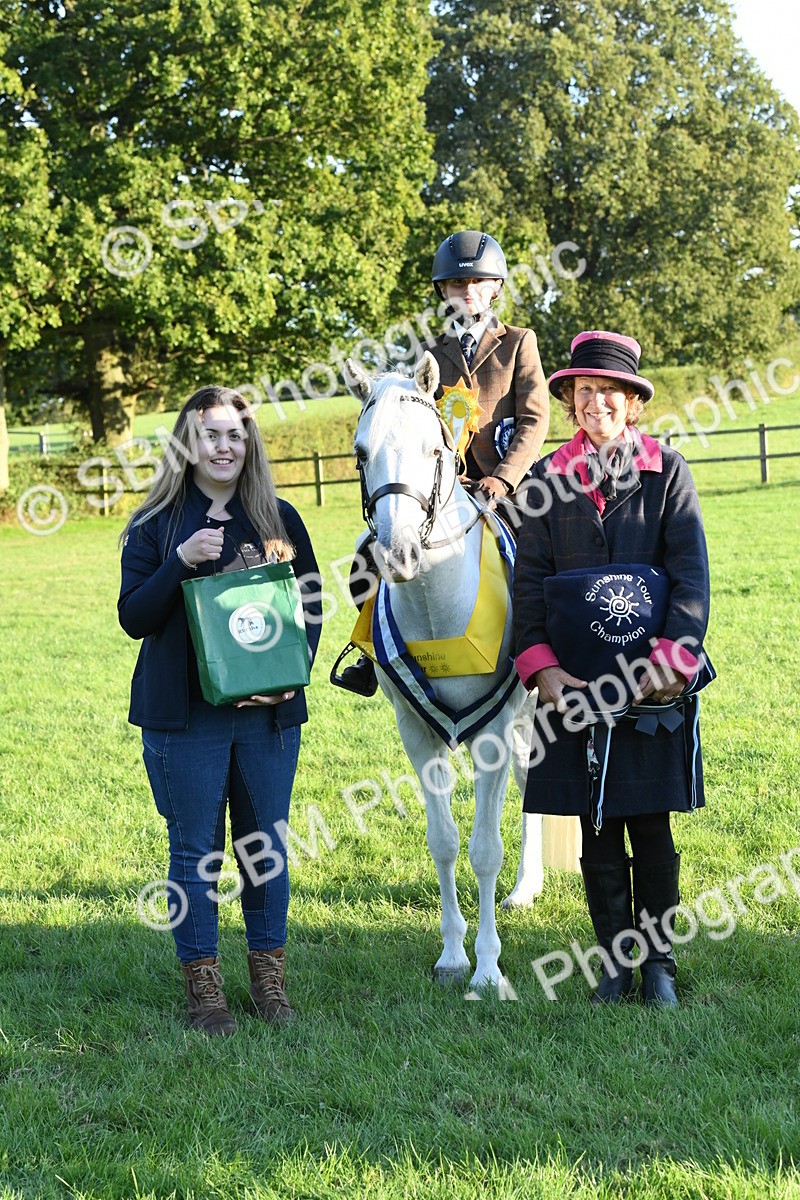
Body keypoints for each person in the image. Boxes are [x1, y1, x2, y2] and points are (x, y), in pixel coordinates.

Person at [513, 331, 712, 1008]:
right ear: (569, 399)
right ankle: (613, 965)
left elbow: (690, 578)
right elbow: (529, 584)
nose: (596, 402)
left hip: (652, 685)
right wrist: (541, 671)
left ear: (633, 404)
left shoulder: (669, 471)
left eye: (611, 392)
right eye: (584, 391)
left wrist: (673, 657)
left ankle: (658, 966)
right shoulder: (543, 481)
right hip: (572, 683)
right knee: (594, 826)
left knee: (650, 821)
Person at [118, 386, 321, 1036]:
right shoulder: (155, 525)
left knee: (265, 851)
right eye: (212, 433)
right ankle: (205, 992)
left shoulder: (279, 518)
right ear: (188, 442)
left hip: (267, 720)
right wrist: (180, 562)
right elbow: (134, 617)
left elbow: (311, 606)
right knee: (195, 855)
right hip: (184, 718)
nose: (225, 445)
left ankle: (269, 984)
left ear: (249, 442)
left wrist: (293, 676)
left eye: (236, 433)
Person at [333, 229, 550, 696]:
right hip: (435, 488)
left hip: (501, 489)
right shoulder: (425, 352)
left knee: (541, 554)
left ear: (496, 288)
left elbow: (534, 419)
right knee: (368, 550)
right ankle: (371, 652)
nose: (466, 292)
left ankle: (542, 648)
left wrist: (504, 478)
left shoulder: (518, 343)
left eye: (477, 283)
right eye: (455, 284)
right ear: (443, 291)